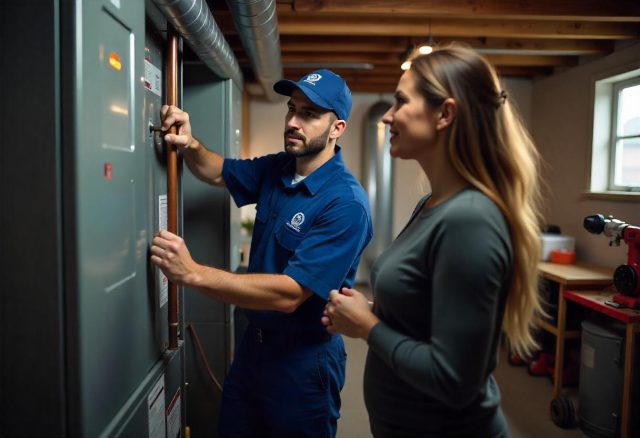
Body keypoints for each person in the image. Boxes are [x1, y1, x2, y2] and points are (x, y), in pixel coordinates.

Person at [322, 44, 543, 438]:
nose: (388, 115)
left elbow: (454, 379)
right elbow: (427, 312)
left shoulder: (470, 218)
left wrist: (368, 326)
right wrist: (376, 308)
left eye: (401, 101)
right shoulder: (433, 203)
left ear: (445, 113)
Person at [150, 69, 373, 438]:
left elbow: (289, 294)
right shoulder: (279, 168)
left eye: (310, 114)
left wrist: (192, 273)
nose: (293, 121)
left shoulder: (345, 204)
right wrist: (189, 144)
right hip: (253, 355)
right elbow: (219, 171)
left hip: (302, 365)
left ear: (337, 128)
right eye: (292, 109)